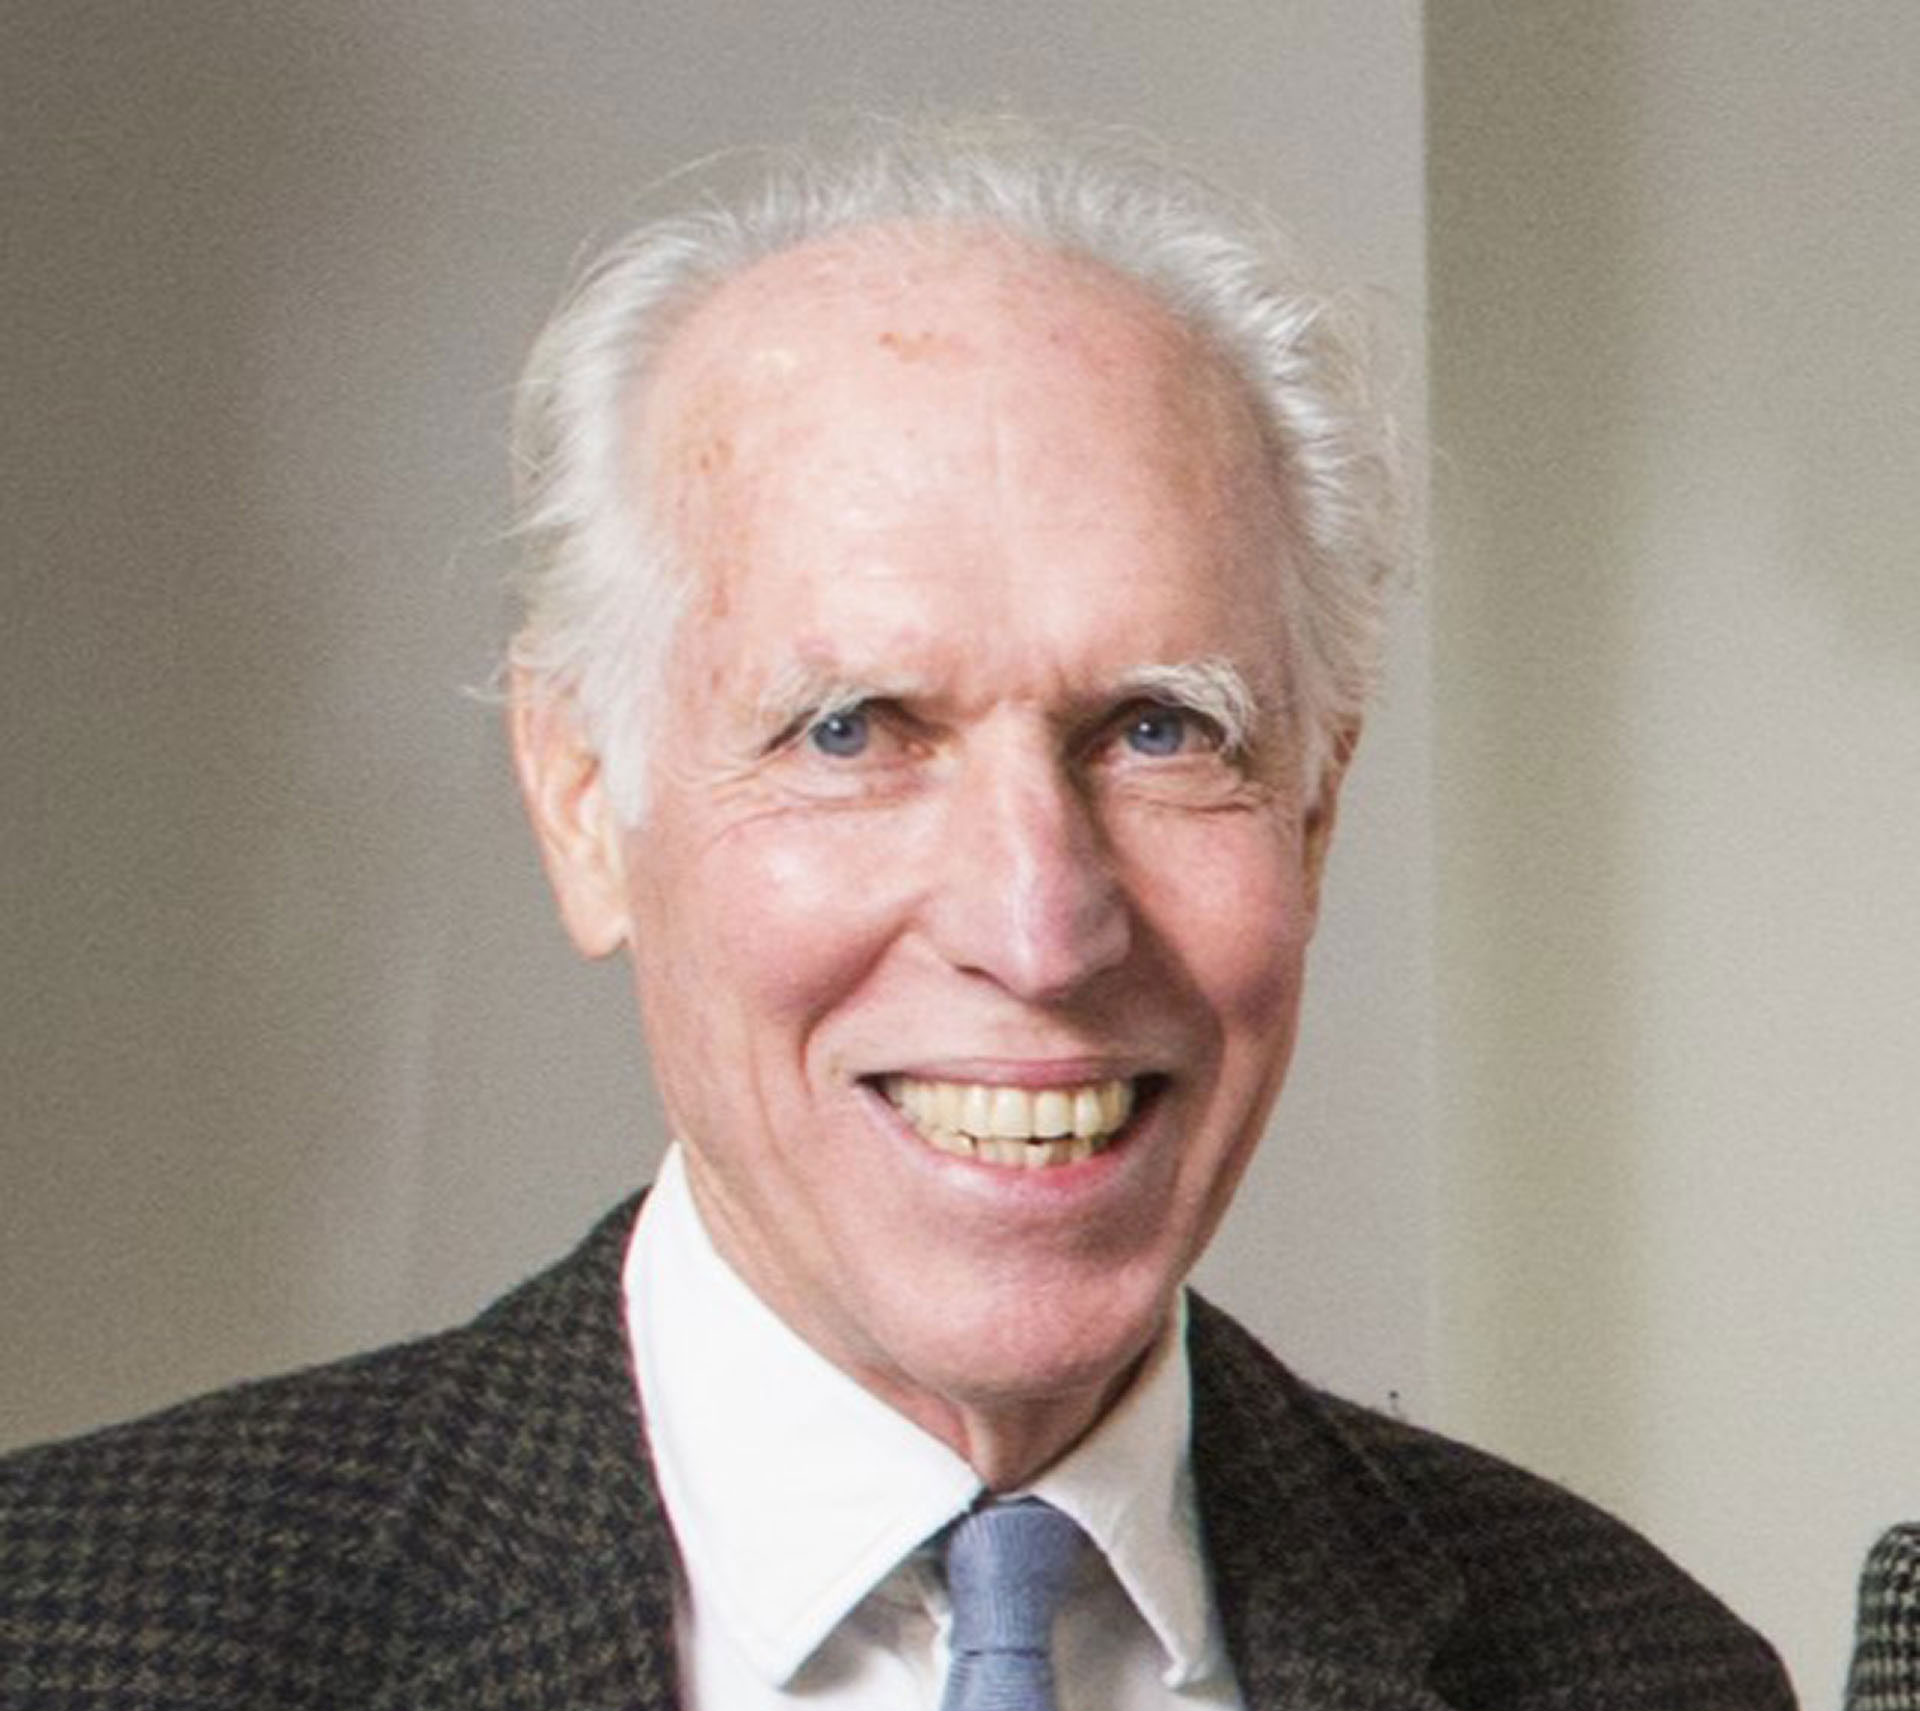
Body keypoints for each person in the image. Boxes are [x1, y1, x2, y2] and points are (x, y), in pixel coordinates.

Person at [0, 121, 1794, 1711]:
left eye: (1158, 731)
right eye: (853, 729)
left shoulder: (1637, 1672)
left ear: (1315, 808)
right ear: (583, 801)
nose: (1039, 924)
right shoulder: (65, 1638)